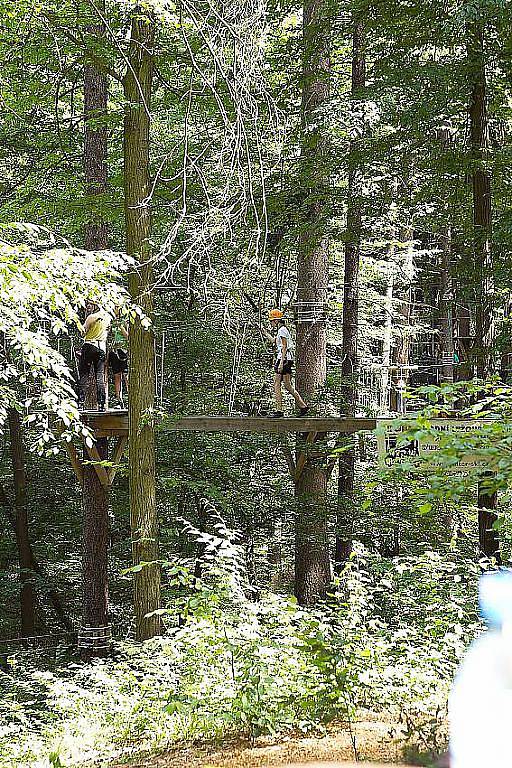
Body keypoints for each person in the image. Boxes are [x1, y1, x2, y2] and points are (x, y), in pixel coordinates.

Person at [262, 309, 308, 418]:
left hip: (283, 359)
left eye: (272, 321)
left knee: (276, 384)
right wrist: (264, 333)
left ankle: (279, 410)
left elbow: (284, 346)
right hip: (288, 359)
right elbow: (274, 341)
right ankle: (303, 406)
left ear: (277, 320)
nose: (271, 323)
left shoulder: (282, 330)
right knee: (287, 385)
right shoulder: (282, 330)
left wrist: (281, 362)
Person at [77, 304, 112, 411]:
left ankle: (80, 403)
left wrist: (78, 324)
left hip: (89, 345)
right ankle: (101, 404)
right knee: (100, 376)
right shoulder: (108, 318)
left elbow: (83, 333)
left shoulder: (92, 317)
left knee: (84, 374)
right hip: (101, 348)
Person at [108, 320, 129, 409]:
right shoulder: (111, 322)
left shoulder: (127, 321)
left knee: (126, 377)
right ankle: (119, 401)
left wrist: (121, 327)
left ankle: (130, 400)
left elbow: (128, 337)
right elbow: (108, 338)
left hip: (124, 351)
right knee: (117, 377)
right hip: (114, 352)